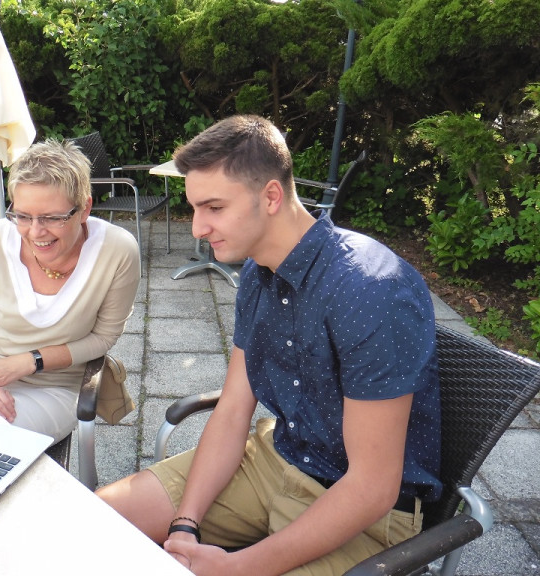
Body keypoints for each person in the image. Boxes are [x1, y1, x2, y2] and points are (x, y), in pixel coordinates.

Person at [96, 115, 441, 575]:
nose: (197, 228)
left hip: (364, 515)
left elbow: (373, 487)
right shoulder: (258, 275)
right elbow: (235, 408)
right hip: (275, 462)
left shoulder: (368, 289)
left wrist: (239, 568)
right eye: (195, 208)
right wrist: (184, 524)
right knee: (95, 522)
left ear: (272, 196)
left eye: (214, 208)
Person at [0, 139, 140, 444]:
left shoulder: (117, 251)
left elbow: (103, 338)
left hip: (53, 387)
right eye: (23, 215)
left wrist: (29, 361)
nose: (35, 231)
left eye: (52, 218)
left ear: (84, 208)